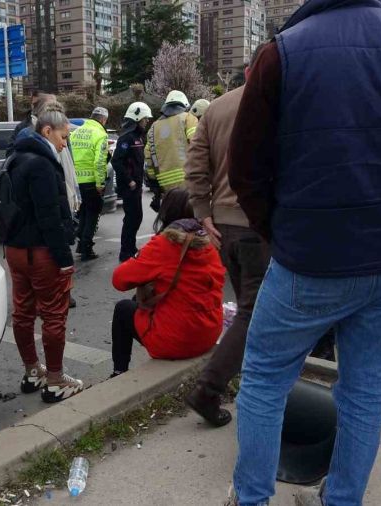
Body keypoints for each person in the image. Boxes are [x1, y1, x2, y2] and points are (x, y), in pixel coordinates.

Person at [227, 1, 381, 504]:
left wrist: (279, 232)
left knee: (263, 378)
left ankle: (252, 499)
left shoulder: (284, 52)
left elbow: (246, 168)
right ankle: (343, 499)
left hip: (310, 259)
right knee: (365, 386)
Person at [183, 63, 269, 428]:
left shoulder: (215, 109)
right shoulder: (276, 104)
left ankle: (236, 380)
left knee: (249, 308)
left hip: (224, 228)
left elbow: (195, 166)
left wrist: (204, 212)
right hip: (259, 227)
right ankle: (209, 388)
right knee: (255, 313)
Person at [4, 104, 85, 403]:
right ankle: (55, 379)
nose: (66, 144)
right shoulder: (42, 165)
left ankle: (32, 371)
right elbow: (49, 217)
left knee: (23, 313)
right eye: (64, 137)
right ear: (47, 131)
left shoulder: (14, 159)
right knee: (53, 314)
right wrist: (64, 260)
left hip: (15, 249)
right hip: (41, 252)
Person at [109, 188, 225, 376]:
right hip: (209, 333)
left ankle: (118, 372)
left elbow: (119, 280)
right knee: (139, 300)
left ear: (166, 213)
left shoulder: (164, 245)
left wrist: (140, 257)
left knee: (123, 309)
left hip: (177, 341)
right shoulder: (208, 243)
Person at [112, 102, 153, 262]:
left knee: (136, 217)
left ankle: (131, 247)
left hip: (136, 185)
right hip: (129, 186)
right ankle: (125, 252)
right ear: (137, 118)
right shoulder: (126, 138)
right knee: (131, 218)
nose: (147, 121)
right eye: (145, 119)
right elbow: (117, 161)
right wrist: (129, 181)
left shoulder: (138, 137)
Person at [145, 90, 198, 210]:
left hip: (165, 185)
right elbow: (197, 145)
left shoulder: (154, 127)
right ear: (184, 105)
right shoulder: (188, 118)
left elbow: (148, 156)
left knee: (172, 219)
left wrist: (154, 180)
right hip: (188, 181)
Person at [71, 107, 109, 261]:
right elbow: (99, 162)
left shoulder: (76, 133)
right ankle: (86, 247)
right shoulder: (100, 134)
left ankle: (81, 240)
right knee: (93, 214)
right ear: (103, 120)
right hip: (91, 181)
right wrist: (100, 183)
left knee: (84, 212)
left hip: (76, 182)